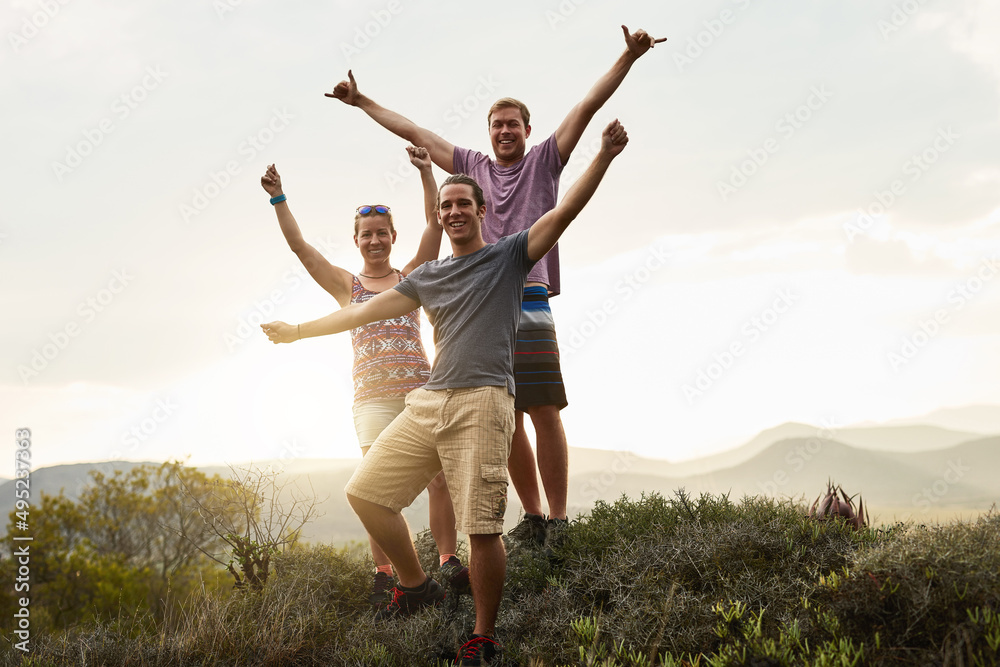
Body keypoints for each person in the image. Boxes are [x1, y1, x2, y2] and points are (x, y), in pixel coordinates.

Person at [261, 119, 629, 666]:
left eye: (463, 203)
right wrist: (297, 332)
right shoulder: (428, 276)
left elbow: (564, 212)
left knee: (481, 528)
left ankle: (483, 635)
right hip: (430, 400)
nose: (454, 211)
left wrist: (601, 157)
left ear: (482, 212)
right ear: (440, 216)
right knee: (365, 493)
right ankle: (416, 585)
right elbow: (362, 311)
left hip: (485, 399)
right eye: (446, 206)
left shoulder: (510, 255)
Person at [325, 25, 664, 550]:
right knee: (499, 412)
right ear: (487, 133)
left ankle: (557, 520)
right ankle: (531, 516)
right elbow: (414, 131)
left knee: (543, 407)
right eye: (496, 125)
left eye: (513, 125)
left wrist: (628, 57)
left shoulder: (545, 160)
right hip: (471, 309)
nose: (504, 132)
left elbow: (587, 106)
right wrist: (362, 101)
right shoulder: (470, 169)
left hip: (526, 296)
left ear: (528, 130)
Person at [259, 147, 470, 605]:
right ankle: (386, 574)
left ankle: (448, 561)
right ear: (356, 241)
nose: (374, 241)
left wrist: (426, 173)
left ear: (393, 236)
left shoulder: (415, 275)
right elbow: (300, 248)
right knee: (377, 489)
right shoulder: (346, 286)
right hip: (372, 401)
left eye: (382, 233)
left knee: (439, 481)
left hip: (421, 393)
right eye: (366, 235)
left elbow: (435, 225)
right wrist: (279, 198)